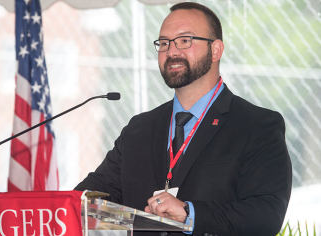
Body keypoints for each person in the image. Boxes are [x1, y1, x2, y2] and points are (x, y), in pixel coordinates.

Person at [75, 2, 292, 236]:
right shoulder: (139, 129)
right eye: (164, 43)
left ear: (216, 50)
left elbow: (266, 216)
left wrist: (190, 214)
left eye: (185, 40)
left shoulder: (257, 126)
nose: (172, 51)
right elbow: (87, 198)